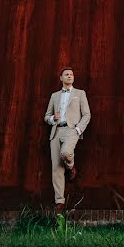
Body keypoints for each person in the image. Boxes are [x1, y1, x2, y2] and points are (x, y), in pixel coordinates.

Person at [44, 67, 91, 211]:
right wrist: (53, 118)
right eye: (66, 74)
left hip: (72, 130)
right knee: (56, 168)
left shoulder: (80, 94)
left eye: (71, 74)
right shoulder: (54, 96)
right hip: (56, 130)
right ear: (61, 78)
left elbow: (87, 115)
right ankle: (60, 201)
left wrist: (78, 129)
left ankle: (71, 167)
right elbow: (46, 116)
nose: (69, 76)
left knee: (65, 153)